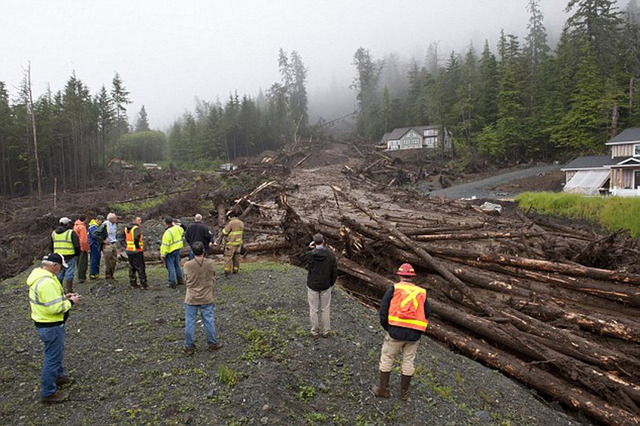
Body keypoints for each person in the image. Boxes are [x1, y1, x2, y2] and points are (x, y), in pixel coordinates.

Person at [371, 263, 431, 401]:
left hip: (395, 332)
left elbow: (383, 310)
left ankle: (383, 390)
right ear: (412, 277)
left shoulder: (394, 289)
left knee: (387, 358)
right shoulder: (421, 292)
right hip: (414, 334)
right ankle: (404, 393)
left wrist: (388, 327)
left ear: (399, 275)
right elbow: (427, 312)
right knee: (409, 361)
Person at [27, 253, 82, 404]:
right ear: (54, 266)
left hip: (44, 323)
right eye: (60, 267)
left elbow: (49, 300)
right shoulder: (47, 283)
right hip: (51, 324)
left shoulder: (40, 277)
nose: (60, 270)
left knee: (55, 353)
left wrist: (65, 297)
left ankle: (59, 376)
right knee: (52, 357)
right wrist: (71, 302)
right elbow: (54, 308)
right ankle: (48, 392)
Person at [183, 242, 223, 355]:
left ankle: (189, 346)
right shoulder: (211, 263)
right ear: (203, 251)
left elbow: (186, 280)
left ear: (192, 251)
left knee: (190, 321)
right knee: (209, 320)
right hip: (207, 296)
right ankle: (212, 343)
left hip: (191, 297)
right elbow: (214, 277)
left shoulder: (187, 265)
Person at [299, 233, 338, 339]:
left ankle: (314, 331)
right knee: (325, 309)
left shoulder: (310, 254)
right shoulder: (330, 255)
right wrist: (331, 282)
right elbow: (334, 271)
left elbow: (301, 258)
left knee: (313, 309)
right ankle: (326, 331)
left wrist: (308, 248)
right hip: (325, 285)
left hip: (313, 284)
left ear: (314, 242)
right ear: (323, 241)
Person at [50, 217, 80, 293]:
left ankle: (59, 290)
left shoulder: (54, 233)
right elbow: (76, 245)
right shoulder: (71, 232)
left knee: (59, 273)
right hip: (69, 256)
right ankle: (69, 290)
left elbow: (51, 245)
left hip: (58, 257)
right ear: (67, 224)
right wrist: (77, 254)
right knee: (69, 273)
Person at [118, 216, 148, 289]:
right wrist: (137, 246)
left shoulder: (126, 228)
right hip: (137, 251)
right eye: (138, 220)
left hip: (129, 251)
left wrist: (125, 246)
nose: (140, 221)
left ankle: (133, 283)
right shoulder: (136, 228)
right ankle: (143, 284)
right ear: (134, 220)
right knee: (140, 267)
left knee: (132, 267)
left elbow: (121, 238)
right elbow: (136, 238)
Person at [161, 217, 184, 288]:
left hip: (170, 251)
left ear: (165, 223)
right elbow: (182, 229)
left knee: (170, 266)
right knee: (177, 265)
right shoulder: (177, 228)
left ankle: (172, 282)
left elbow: (165, 245)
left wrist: (163, 254)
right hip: (178, 249)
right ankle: (180, 280)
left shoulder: (167, 232)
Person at [220, 210, 244, 277]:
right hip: (239, 243)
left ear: (230, 216)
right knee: (236, 257)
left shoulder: (231, 223)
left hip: (231, 243)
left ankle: (227, 272)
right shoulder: (241, 223)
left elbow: (225, 232)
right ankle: (235, 270)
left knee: (228, 257)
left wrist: (223, 230)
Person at [96, 213, 119, 280]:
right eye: (115, 218)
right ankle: (108, 276)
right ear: (111, 219)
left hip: (113, 243)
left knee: (114, 260)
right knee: (108, 261)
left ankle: (112, 275)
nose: (116, 219)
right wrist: (102, 241)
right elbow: (96, 234)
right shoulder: (105, 225)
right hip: (107, 245)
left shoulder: (114, 225)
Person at [73, 214, 89, 284]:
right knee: (82, 263)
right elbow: (83, 239)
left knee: (78, 262)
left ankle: (80, 277)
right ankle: (82, 277)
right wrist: (85, 248)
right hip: (81, 248)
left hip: (76, 247)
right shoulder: (82, 227)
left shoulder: (75, 226)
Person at [87, 215, 105, 279]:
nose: (102, 222)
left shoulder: (97, 226)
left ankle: (96, 273)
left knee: (97, 259)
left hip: (97, 244)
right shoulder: (92, 227)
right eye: (101, 221)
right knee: (94, 259)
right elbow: (94, 236)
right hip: (93, 244)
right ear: (97, 220)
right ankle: (93, 273)